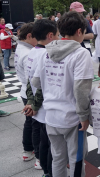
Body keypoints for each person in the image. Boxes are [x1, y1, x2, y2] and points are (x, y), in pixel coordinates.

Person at [31, 11, 94, 177]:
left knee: (58, 158)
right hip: (72, 118)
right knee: (76, 158)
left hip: (50, 117)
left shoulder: (47, 52)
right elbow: (81, 89)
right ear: (79, 32)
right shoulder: (81, 53)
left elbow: (36, 82)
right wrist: (84, 116)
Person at [24, 19, 59, 176]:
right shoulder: (46, 54)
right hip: (44, 109)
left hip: (37, 108)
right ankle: (49, 171)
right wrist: (35, 105)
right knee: (50, 145)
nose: (59, 38)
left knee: (42, 141)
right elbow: (42, 86)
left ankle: (45, 168)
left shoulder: (31, 52)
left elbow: (29, 81)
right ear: (50, 35)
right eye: (58, 35)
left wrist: (31, 103)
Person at [15, 23, 37, 163]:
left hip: (25, 92)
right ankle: (35, 154)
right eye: (37, 37)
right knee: (35, 125)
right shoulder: (29, 53)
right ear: (29, 36)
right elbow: (33, 81)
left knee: (30, 123)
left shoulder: (20, 47)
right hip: (30, 94)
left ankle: (28, 150)